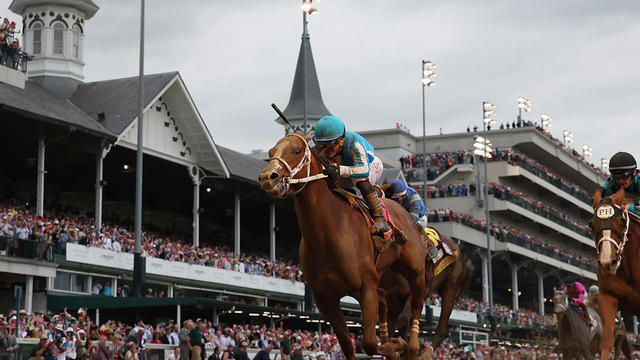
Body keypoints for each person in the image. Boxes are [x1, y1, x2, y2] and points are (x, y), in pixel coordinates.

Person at [314, 116, 390, 234]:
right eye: (321, 145)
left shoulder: (353, 142)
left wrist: (339, 170)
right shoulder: (322, 149)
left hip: (370, 166)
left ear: (341, 139)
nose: (325, 149)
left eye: (330, 144)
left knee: (359, 180)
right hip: (347, 173)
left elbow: (363, 169)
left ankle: (379, 217)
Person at [597, 152, 640, 216]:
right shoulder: (609, 185)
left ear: (634, 172)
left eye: (624, 176)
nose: (620, 180)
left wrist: (629, 208)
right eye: (616, 177)